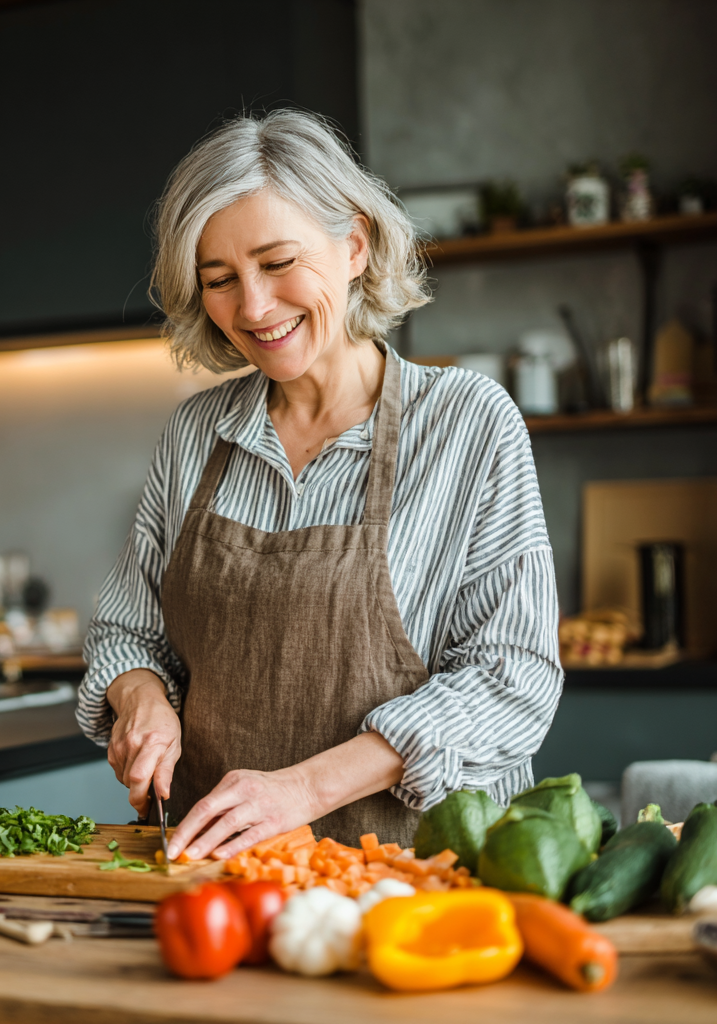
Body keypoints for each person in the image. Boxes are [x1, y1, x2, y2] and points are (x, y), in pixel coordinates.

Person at [77, 110, 562, 863]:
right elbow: (129, 631)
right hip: (221, 881)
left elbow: (512, 677)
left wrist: (301, 792)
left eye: (277, 263)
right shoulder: (194, 435)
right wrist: (141, 699)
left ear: (355, 244)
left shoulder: (468, 424)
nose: (255, 308)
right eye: (220, 280)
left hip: (419, 883)